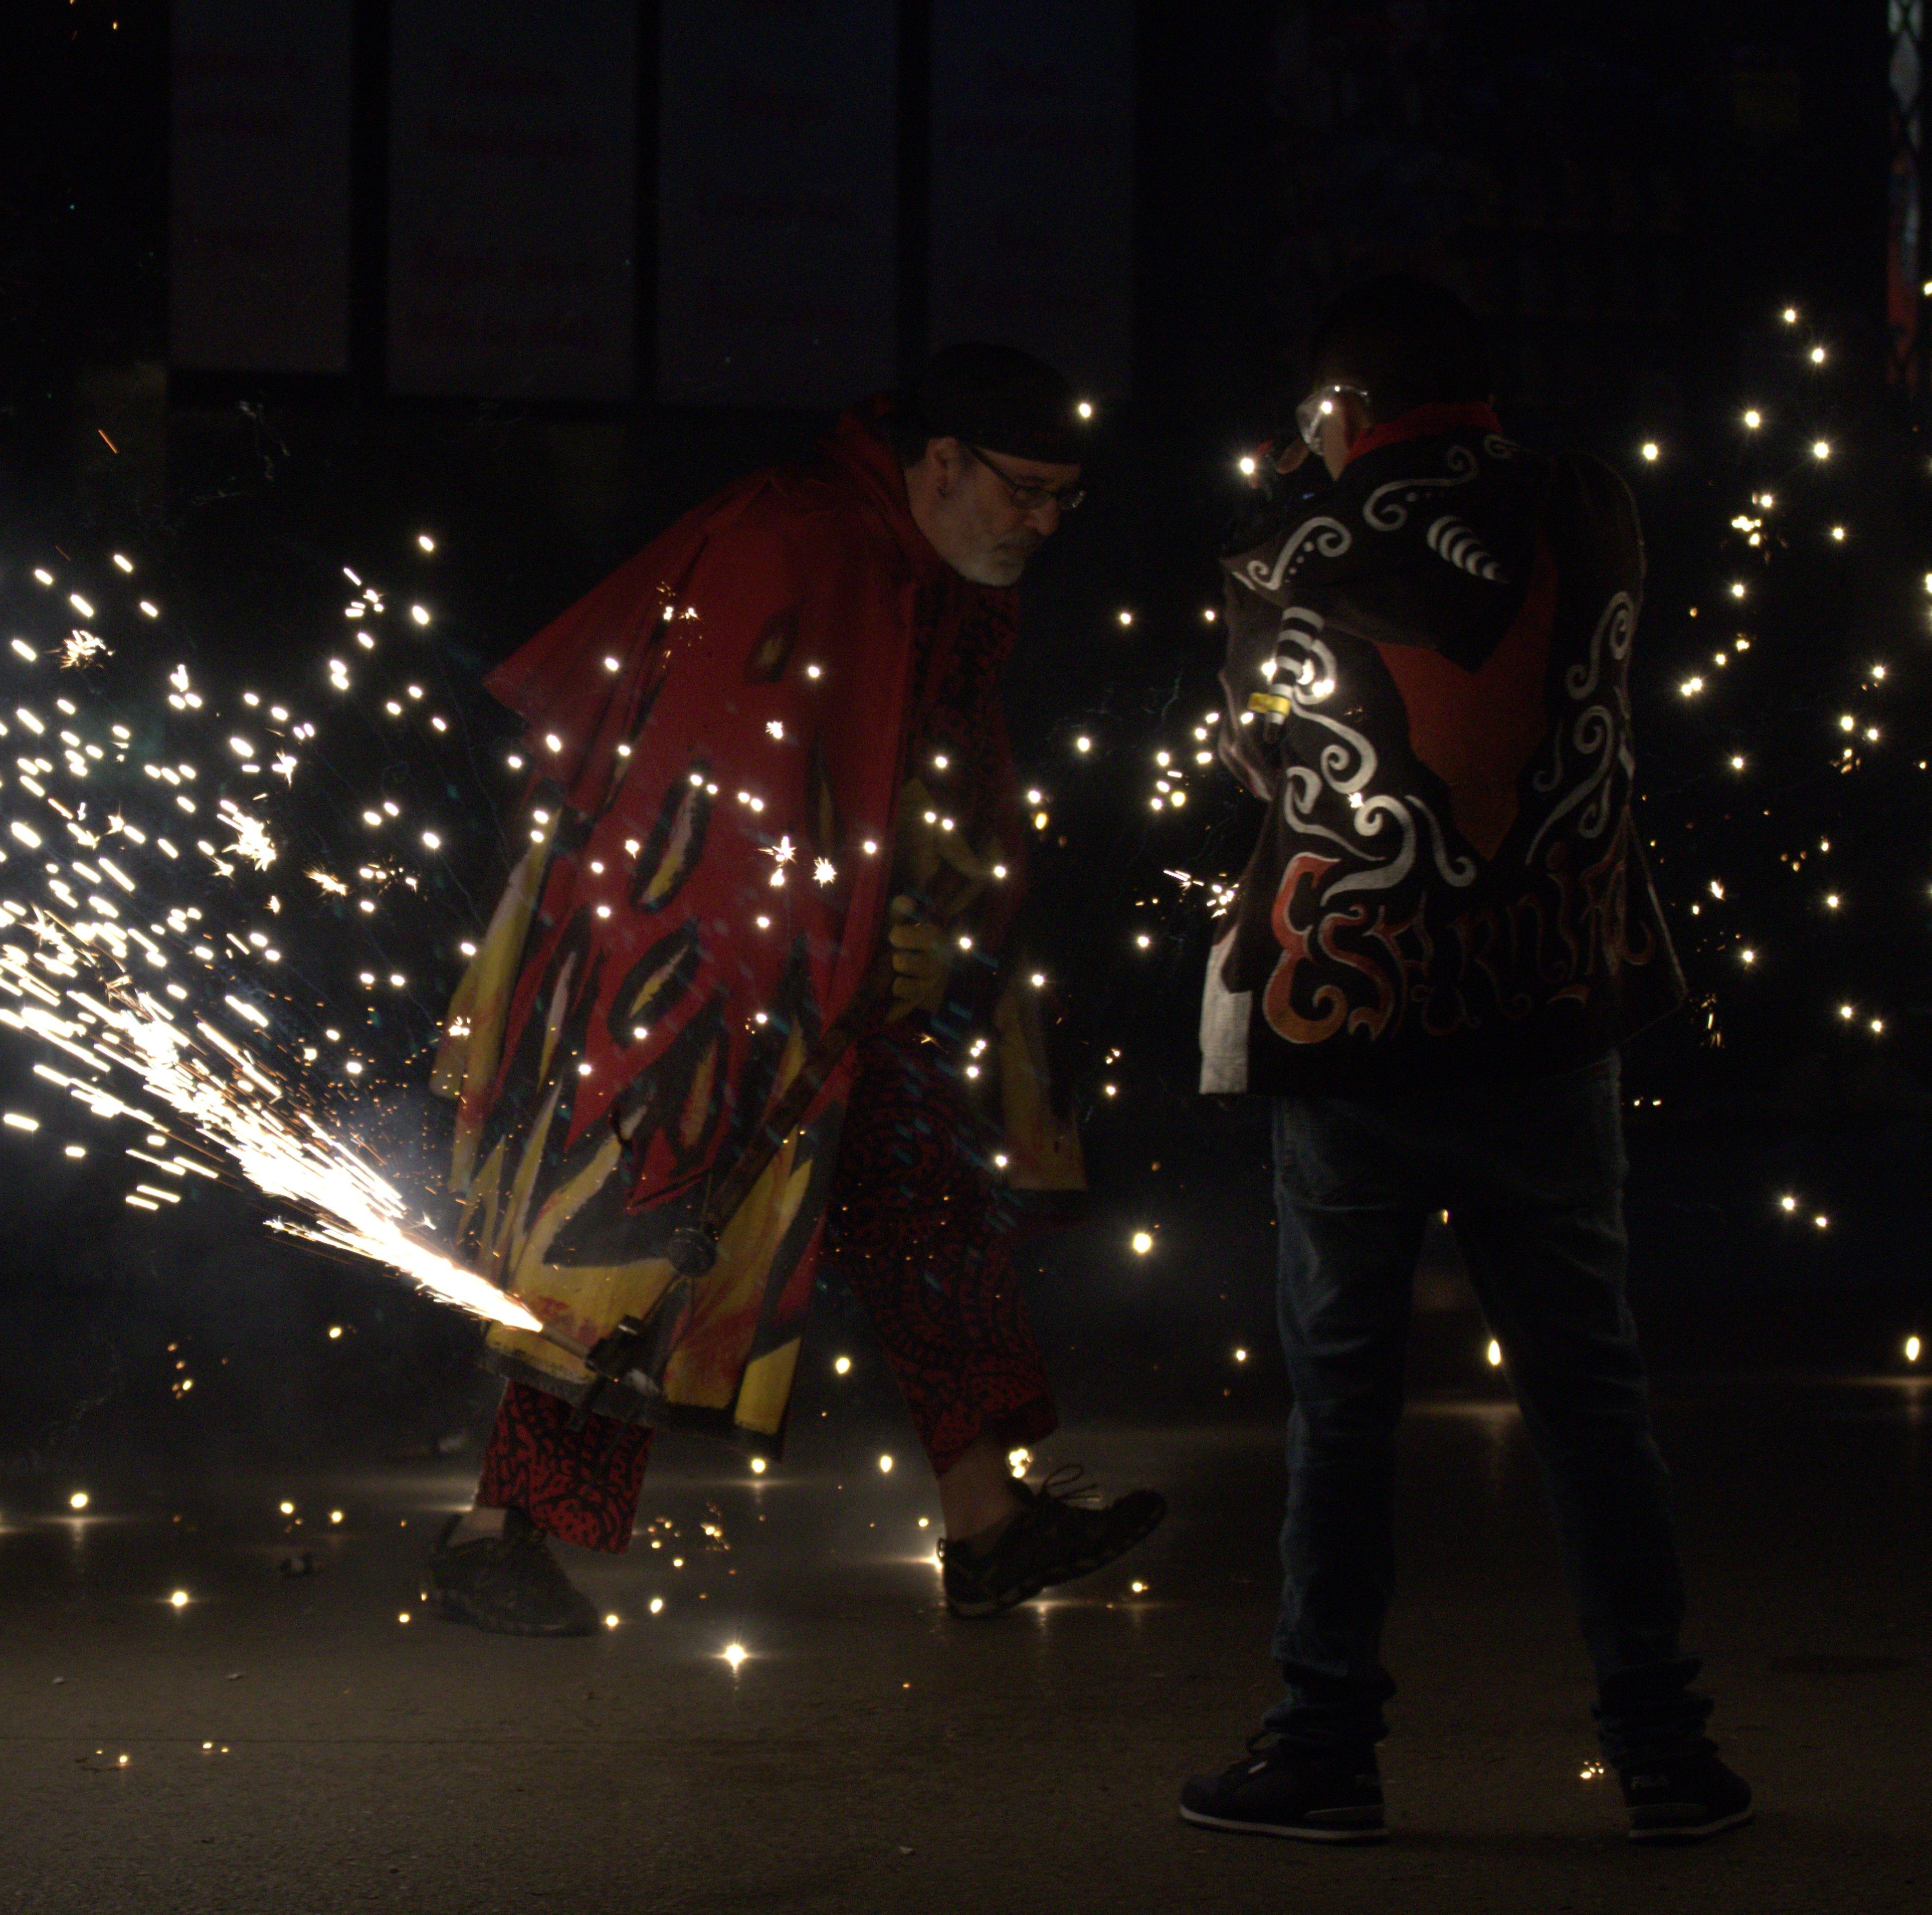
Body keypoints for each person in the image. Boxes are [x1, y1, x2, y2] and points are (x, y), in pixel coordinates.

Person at [422, 343, 1165, 1636]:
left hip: (858, 955)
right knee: (637, 1227)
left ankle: (990, 1522)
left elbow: (937, 765)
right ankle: (498, 1532)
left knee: (923, 1212)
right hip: (698, 951)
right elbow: (711, 781)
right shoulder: (799, 536)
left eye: (1066, 500)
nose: (1044, 525)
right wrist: (802, 946)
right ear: (944, 463)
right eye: (1025, 492)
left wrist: (941, 914)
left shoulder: (933, 564)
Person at [1178, 275, 1749, 1845]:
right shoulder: (1594, 510)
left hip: (1352, 1025)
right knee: (1591, 1392)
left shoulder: (1278, 556)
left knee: (1346, 1403)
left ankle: (1326, 1743)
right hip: (1549, 1017)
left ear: (1340, 416)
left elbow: (1257, 748)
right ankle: (1665, 1746)